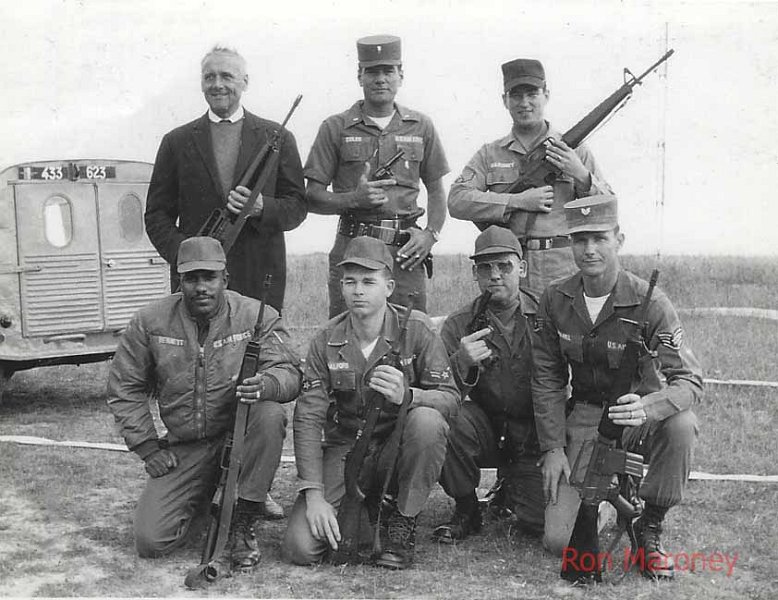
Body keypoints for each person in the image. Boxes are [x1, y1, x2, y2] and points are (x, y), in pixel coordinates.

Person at [532, 195, 702, 580]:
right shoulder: (555, 298)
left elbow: (690, 379)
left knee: (682, 424)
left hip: (640, 415)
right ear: (570, 244)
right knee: (559, 541)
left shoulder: (651, 302)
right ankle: (611, 499)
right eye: (580, 240)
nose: (589, 249)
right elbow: (546, 378)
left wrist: (652, 406)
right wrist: (553, 447)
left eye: (600, 238)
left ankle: (651, 524)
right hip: (589, 417)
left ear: (618, 240)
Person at [107, 237, 301, 573]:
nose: (201, 287)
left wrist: (267, 384)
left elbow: (290, 372)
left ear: (225, 279)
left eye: (209, 277)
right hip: (187, 446)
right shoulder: (149, 322)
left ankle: (243, 519)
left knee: (270, 413)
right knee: (151, 541)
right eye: (192, 278)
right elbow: (125, 386)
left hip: (239, 439)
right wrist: (147, 446)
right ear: (178, 280)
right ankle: (207, 499)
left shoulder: (257, 316)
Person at [282, 236, 459, 570]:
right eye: (350, 281)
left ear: (389, 286)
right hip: (346, 447)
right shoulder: (326, 340)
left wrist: (408, 396)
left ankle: (402, 521)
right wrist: (314, 495)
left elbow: (449, 398)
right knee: (301, 547)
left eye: (368, 281)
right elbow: (307, 417)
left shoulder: (417, 330)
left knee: (428, 422)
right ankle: (368, 512)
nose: (357, 290)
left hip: (398, 445)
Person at [144, 45, 306, 313]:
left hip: (258, 277)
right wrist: (185, 255)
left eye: (226, 76)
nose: (217, 84)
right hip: (197, 282)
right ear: (201, 83)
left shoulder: (277, 136)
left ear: (245, 82)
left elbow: (298, 206)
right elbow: (156, 216)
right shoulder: (176, 142)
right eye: (209, 77)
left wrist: (262, 208)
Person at [448, 58, 612, 313]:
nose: (524, 103)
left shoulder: (573, 151)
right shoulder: (490, 154)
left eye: (532, 94)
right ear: (505, 100)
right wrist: (517, 201)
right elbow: (457, 201)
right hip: (509, 269)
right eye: (516, 95)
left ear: (546, 95)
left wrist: (579, 174)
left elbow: (608, 207)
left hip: (562, 267)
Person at [304, 34, 449, 317]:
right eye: (372, 71)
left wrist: (431, 234)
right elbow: (312, 197)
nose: (380, 79)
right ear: (360, 75)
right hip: (352, 246)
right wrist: (353, 199)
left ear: (400, 75)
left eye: (388, 71)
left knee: (410, 334)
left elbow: (436, 190)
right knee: (346, 332)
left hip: (404, 252)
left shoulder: (421, 126)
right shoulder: (335, 127)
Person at [433, 226, 544, 543]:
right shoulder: (460, 324)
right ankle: (466, 508)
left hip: (534, 432)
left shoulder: (547, 315)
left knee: (539, 524)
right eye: (485, 267)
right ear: (475, 273)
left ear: (521, 268)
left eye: (504, 266)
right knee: (444, 417)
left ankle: (512, 487)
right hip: (486, 429)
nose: (495, 275)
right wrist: (461, 361)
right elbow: (437, 386)